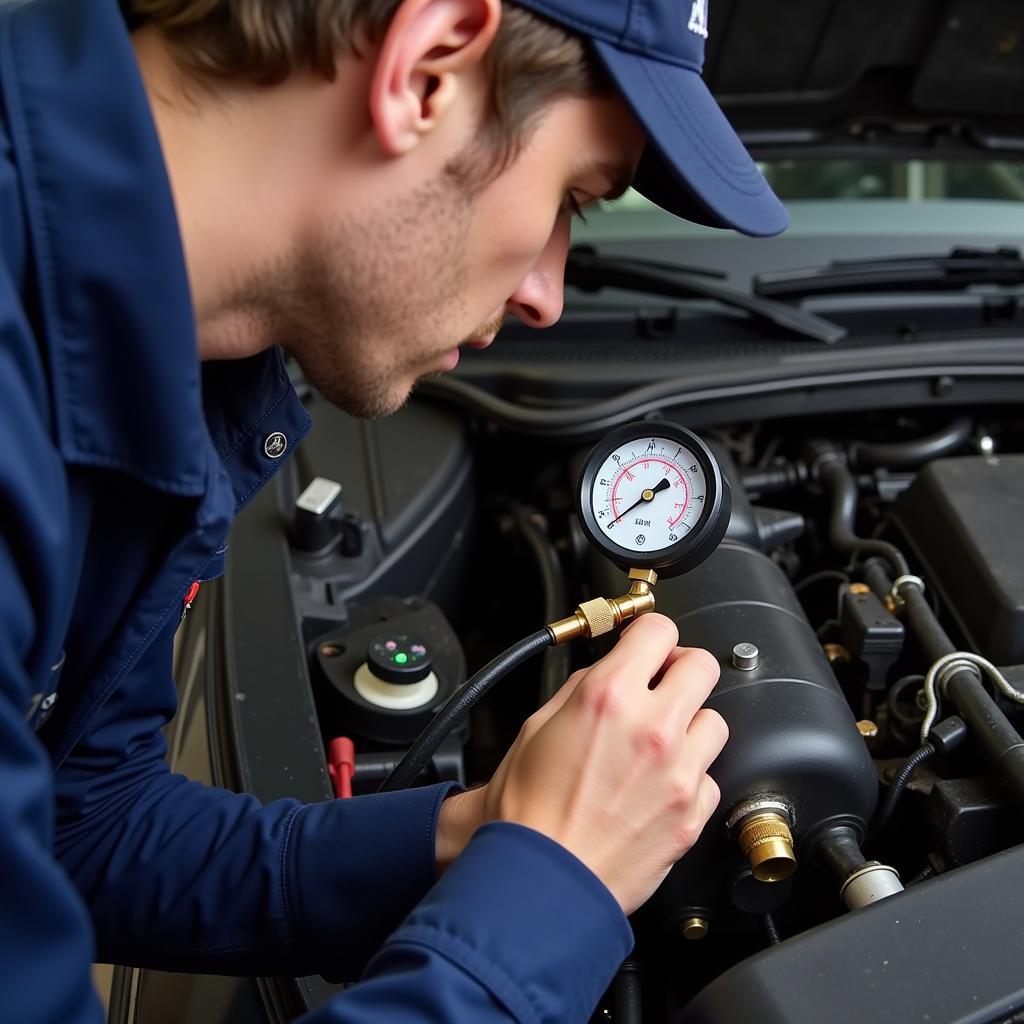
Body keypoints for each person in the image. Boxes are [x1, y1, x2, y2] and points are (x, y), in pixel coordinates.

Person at [0, 0, 787, 1021]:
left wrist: (482, 833)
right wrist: (550, 890)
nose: (549, 291)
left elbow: (83, 823)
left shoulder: (162, 357)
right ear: (429, 65)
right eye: (571, 197)